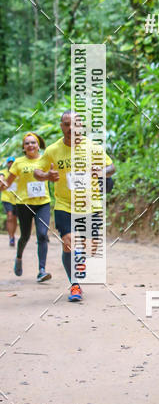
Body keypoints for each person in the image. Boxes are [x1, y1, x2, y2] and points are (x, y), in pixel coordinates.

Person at [34, 112, 115, 303]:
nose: (71, 128)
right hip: (64, 204)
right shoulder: (53, 150)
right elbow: (38, 171)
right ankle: (75, 284)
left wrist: (101, 171)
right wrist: (46, 176)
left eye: (75, 124)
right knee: (68, 241)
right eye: (66, 124)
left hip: (91, 203)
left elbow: (112, 167)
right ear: (61, 126)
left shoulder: (93, 147)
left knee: (90, 248)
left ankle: (80, 257)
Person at [0, 134, 51, 282]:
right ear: (23, 147)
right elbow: (7, 185)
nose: (30, 145)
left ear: (38, 145)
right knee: (25, 236)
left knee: (42, 235)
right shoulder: (18, 163)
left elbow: (54, 175)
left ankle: (42, 270)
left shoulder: (45, 159)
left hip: (43, 203)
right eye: (27, 143)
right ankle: (19, 256)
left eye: (33, 143)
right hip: (24, 204)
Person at [1, 156, 18, 247]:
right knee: (10, 216)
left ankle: (13, 235)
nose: (11, 164)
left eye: (13, 162)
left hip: (18, 199)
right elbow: (1, 177)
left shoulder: (19, 172)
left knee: (14, 218)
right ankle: (11, 237)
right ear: (7, 163)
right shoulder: (3, 172)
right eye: (9, 162)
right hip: (6, 198)